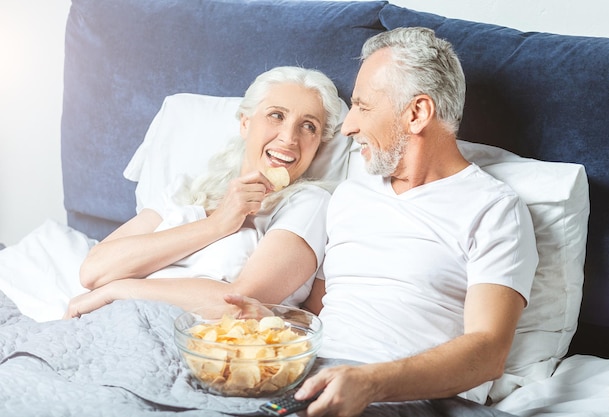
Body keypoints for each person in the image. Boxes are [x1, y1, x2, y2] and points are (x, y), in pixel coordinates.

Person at [231, 27, 538, 416]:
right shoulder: (349, 196)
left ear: (417, 113)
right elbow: (321, 314)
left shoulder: (493, 209)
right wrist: (276, 325)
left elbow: (489, 350)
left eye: (363, 106)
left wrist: (370, 382)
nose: (347, 127)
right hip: (313, 380)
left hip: (414, 398)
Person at [63, 66, 344, 319]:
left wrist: (117, 291)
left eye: (309, 126)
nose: (289, 137)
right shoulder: (185, 190)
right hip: (104, 321)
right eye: (276, 115)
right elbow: (93, 271)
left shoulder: (309, 204)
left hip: (189, 340)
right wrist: (217, 223)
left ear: (319, 143)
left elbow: (240, 304)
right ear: (245, 123)